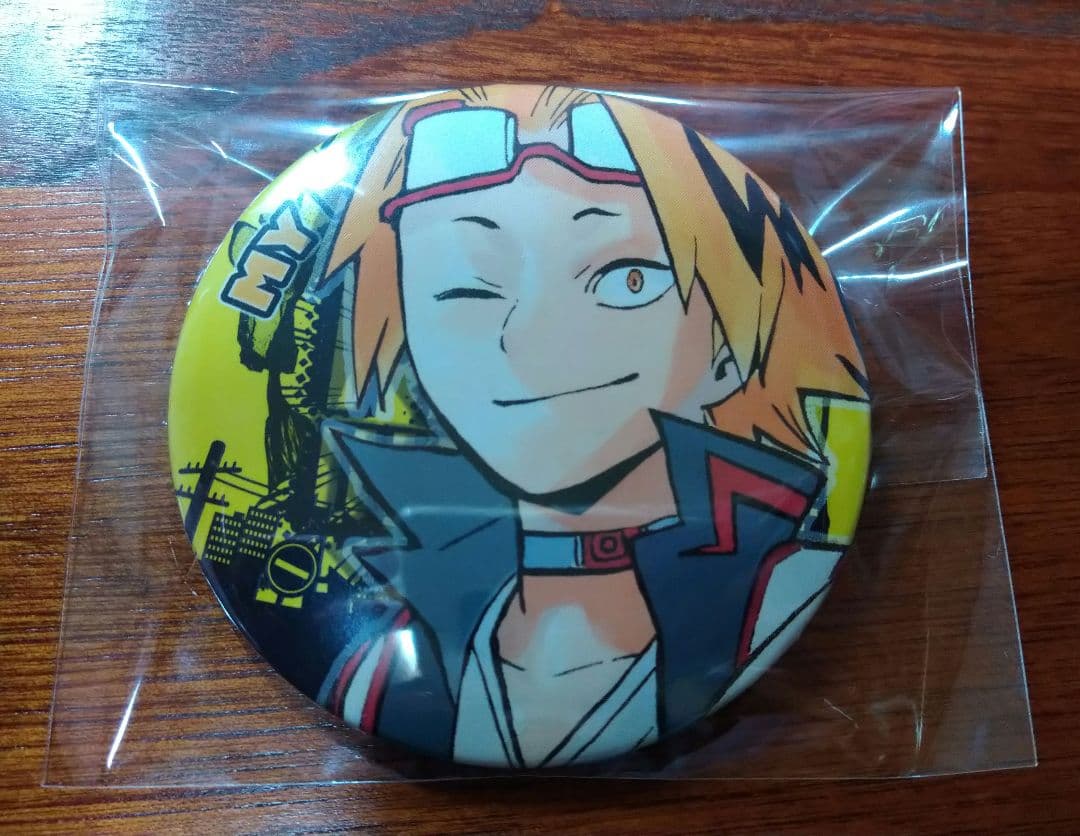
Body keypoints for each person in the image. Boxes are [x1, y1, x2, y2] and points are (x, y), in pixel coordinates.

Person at [311, 85, 869, 767]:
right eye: (464, 288)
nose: (528, 341)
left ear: (728, 346)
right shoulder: (382, 673)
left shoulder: (780, 597)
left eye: (627, 279)